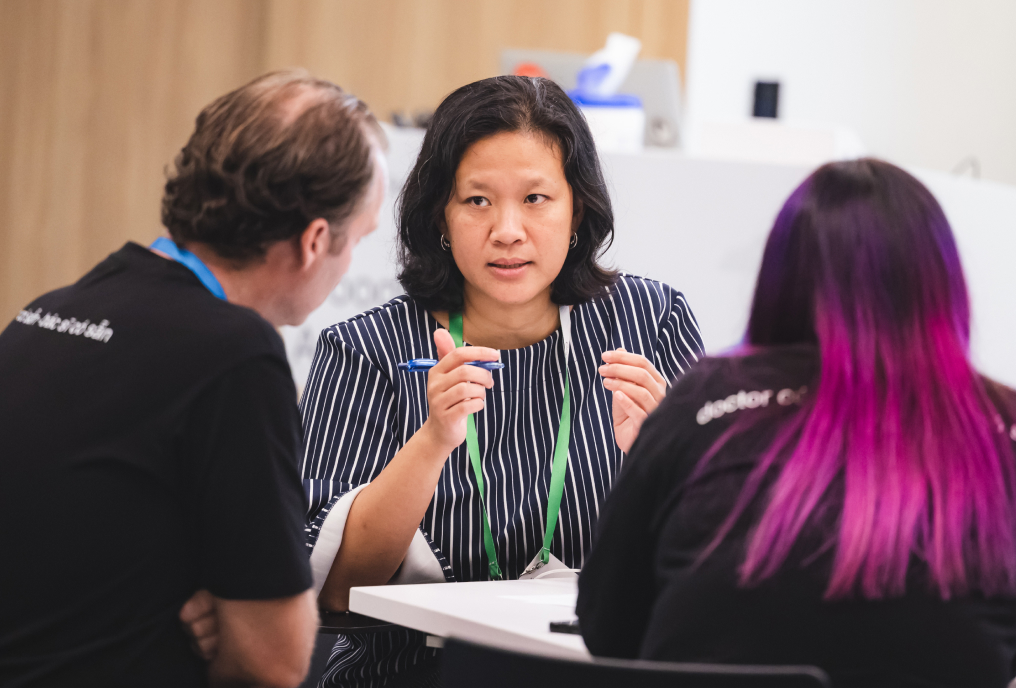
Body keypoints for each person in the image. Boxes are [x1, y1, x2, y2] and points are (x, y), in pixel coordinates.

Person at [299, 75, 704, 686]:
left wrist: (663, 460)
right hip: (419, 672)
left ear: (578, 210)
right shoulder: (365, 352)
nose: (507, 230)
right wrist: (432, 441)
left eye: (536, 199)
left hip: (605, 668)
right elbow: (334, 588)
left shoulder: (651, 322)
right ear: (441, 215)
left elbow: (726, 550)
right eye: (478, 201)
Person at [0, 71, 387, 687]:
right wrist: (238, 617)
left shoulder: (49, 310)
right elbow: (274, 662)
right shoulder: (235, 356)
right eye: (358, 241)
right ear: (316, 241)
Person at [577, 159, 1016, 687]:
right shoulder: (1001, 427)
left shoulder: (703, 399)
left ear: (779, 278)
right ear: (940, 286)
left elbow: (607, 629)